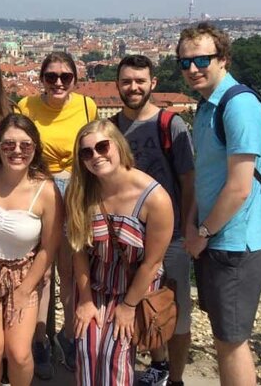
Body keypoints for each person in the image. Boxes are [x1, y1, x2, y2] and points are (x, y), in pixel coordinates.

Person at [178, 22, 261, 386]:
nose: (192, 68)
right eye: (185, 62)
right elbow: (207, 174)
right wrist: (191, 221)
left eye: (202, 59)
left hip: (236, 243)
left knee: (231, 342)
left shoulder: (239, 107)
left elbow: (239, 188)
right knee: (225, 337)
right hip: (217, 238)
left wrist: (202, 231)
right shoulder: (207, 106)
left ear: (224, 59)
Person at [65, 119, 173, 386]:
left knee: (116, 358)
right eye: (86, 152)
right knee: (87, 351)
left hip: (135, 288)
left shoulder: (154, 198)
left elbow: (152, 262)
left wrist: (128, 307)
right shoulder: (80, 192)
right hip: (97, 284)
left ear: (118, 146)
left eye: (102, 147)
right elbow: (78, 250)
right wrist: (85, 299)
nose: (96, 156)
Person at [112, 55, 195, 386]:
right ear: (117, 84)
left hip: (171, 235)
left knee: (173, 310)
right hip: (125, 234)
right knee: (129, 304)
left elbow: (189, 181)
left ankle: (175, 379)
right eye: (127, 81)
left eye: (140, 81)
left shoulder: (170, 124)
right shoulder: (112, 127)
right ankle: (146, 367)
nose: (133, 87)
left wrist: (188, 227)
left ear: (152, 84)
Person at [0, 114, 63, 386]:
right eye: (9, 145)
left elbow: (48, 248)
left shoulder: (46, 191)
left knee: (19, 354)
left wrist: (23, 290)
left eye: (25, 145)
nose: (17, 151)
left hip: (24, 273)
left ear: (35, 148)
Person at [18, 51, 97, 377]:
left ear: (75, 80)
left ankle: (67, 335)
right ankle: (39, 339)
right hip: (39, 191)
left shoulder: (87, 106)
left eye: (66, 76)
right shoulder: (25, 106)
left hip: (76, 192)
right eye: (51, 76)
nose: (59, 82)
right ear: (42, 80)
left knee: (71, 269)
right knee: (41, 271)